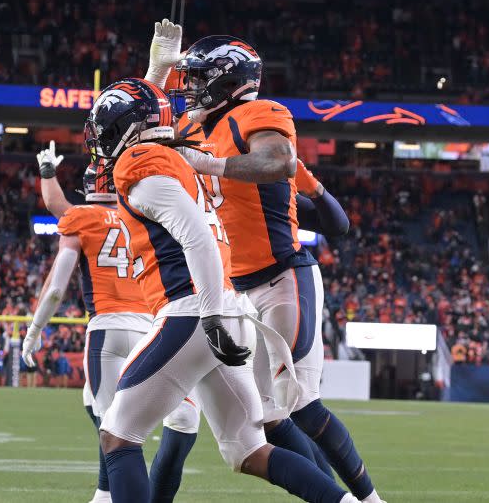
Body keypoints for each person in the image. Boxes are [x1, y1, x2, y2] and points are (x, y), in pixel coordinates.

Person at [87, 77, 359, 503]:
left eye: (105, 130)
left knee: (118, 436)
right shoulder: (171, 157)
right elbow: (150, 115)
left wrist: (211, 312)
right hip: (226, 309)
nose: (100, 141)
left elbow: (196, 237)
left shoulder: (139, 161)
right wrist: (155, 71)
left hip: (193, 312)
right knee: (248, 450)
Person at [169, 35, 381, 502]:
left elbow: (279, 162)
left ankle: (370, 499)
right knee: (268, 416)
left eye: (202, 78)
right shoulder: (197, 125)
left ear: (229, 79)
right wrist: (158, 67)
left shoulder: (259, 113)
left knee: (300, 403)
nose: (194, 88)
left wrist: (215, 164)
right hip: (239, 293)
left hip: (284, 277)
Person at [28, 143, 202, 503]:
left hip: (107, 329)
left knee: (114, 428)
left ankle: (106, 495)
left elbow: (56, 287)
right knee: (174, 417)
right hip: (153, 327)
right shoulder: (140, 214)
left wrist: (33, 331)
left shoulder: (81, 218)